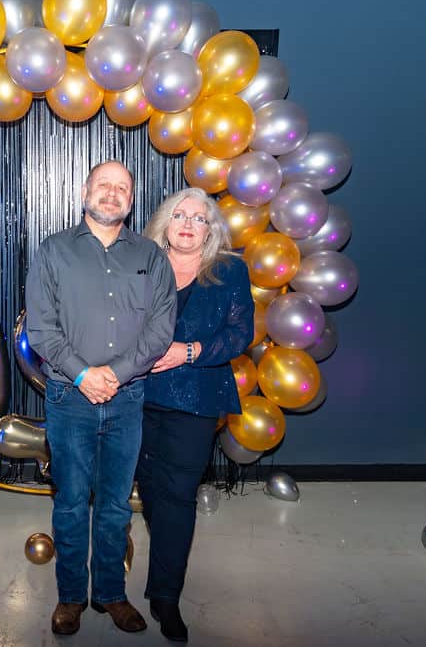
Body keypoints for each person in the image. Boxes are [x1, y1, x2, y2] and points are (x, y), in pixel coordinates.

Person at [25, 160, 177, 636]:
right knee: (71, 503)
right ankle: (70, 597)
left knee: (115, 504)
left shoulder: (151, 257)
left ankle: (110, 593)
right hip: (69, 399)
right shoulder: (53, 252)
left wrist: (116, 373)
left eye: (122, 188)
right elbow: (40, 330)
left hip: (128, 399)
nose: (112, 194)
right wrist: (83, 374)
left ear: (131, 200)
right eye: (103, 185)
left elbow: (160, 330)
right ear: (84, 191)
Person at [136, 187, 255, 642]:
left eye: (199, 218)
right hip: (137, 395)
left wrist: (189, 351)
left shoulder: (229, 270)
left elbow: (240, 334)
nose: (187, 224)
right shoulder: (141, 264)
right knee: (151, 490)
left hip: (196, 398)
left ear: (211, 230)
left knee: (179, 493)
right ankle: (165, 563)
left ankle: (166, 597)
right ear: (164, 222)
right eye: (179, 215)